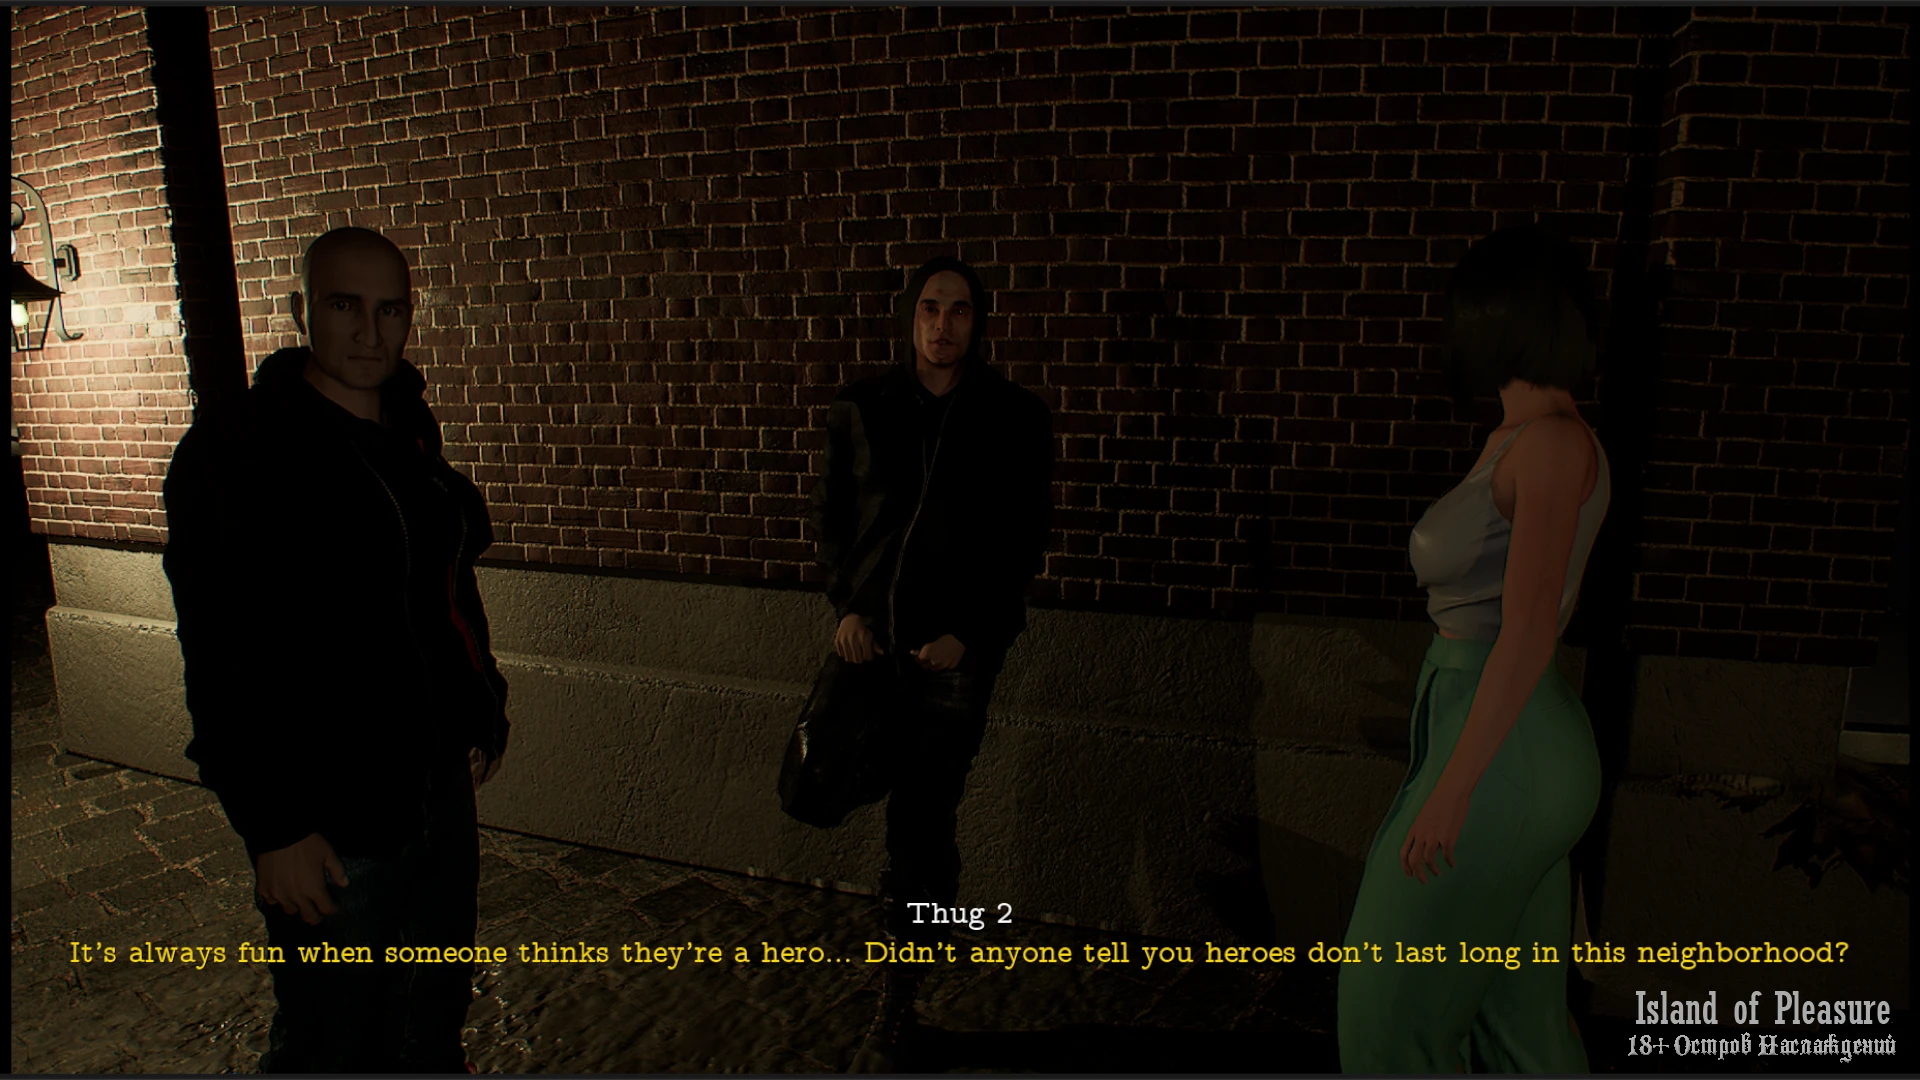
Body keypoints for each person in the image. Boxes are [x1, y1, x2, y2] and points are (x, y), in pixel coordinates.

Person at [162, 226, 510, 1073]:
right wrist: (274, 825)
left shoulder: (408, 432)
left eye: (390, 310)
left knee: (431, 1019)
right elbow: (220, 651)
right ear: (301, 311)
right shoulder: (241, 450)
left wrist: (479, 706)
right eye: (345, 306)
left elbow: (442, 590)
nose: (369, 332)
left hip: (433, 787)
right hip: (331, 809)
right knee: (334, 1036)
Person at [1336, 224, 1610, 1072]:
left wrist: (1454, 790)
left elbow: (1526, 635)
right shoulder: (1520, 438)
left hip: (1503, 742)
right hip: (1491, 727)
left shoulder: (1553, 444)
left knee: (1387, 1010)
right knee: (1519, 1024)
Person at [807, 256, 1054, 1071]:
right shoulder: (862, 407)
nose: (942, 324)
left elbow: (1021, 543)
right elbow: (834, 518)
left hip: (953, 657)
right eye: (929, 308)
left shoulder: (1012, 417)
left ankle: (901, 992)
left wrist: (970, 635)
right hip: (871, 646)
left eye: (959, 310)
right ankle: (917, 917)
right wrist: (847, 606)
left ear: (979, 323)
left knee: (921, 822)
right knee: (812, 784)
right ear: (909, 317)